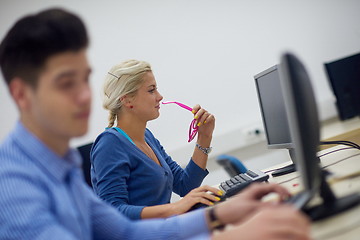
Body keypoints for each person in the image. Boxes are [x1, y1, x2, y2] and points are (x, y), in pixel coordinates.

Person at [0, 7, 311, 240]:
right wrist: (228, 234)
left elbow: (123, 231)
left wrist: (218, 214)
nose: (84, 96)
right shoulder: (13, 185)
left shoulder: (60, 163)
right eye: (67, 83)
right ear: (21, 94)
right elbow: (125, 216)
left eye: (85, 80)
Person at [91, 59, 220, 220]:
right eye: (151, 90)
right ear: (127, 100)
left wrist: (204, 136)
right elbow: (114, 212)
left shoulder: (147, 136)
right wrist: (174, 208)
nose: (160, 96)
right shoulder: (109, 144)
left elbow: (185, 185)